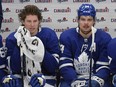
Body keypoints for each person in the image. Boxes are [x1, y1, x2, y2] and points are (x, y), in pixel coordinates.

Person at [2, 5, 60, 87]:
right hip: (21, 80)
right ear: (23, 21)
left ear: (39, 21)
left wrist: (39, 48)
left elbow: (53, 67)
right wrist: (20, 44)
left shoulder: (49, 35)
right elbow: (14, 68)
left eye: (35, 21)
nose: (32, 25)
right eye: (29, 21)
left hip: (46, 79)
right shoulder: (13, 38)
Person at [59, 4, 112, 87]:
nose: (86, 23)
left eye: (89, 19)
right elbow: (65, 64)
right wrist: (75, 81)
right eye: (83, 19)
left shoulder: (104, 38)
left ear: (94, 21)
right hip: (73, 79)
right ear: (78, 20)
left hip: (95, 78)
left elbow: (104, 66)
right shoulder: (67, 36)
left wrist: (96, 81)